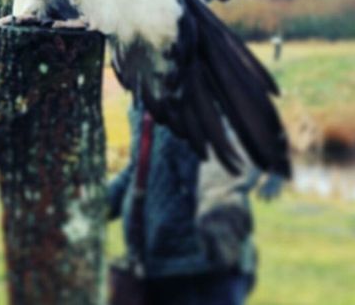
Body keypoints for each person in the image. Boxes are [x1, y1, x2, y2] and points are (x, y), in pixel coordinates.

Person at [108, 98, 270, 305]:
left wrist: (219, 205)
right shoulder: (143, 93)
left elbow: (245, 142)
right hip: (153, 267)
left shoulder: (209, 78)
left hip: (202, 269)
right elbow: (138, 168)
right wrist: (89, 208)